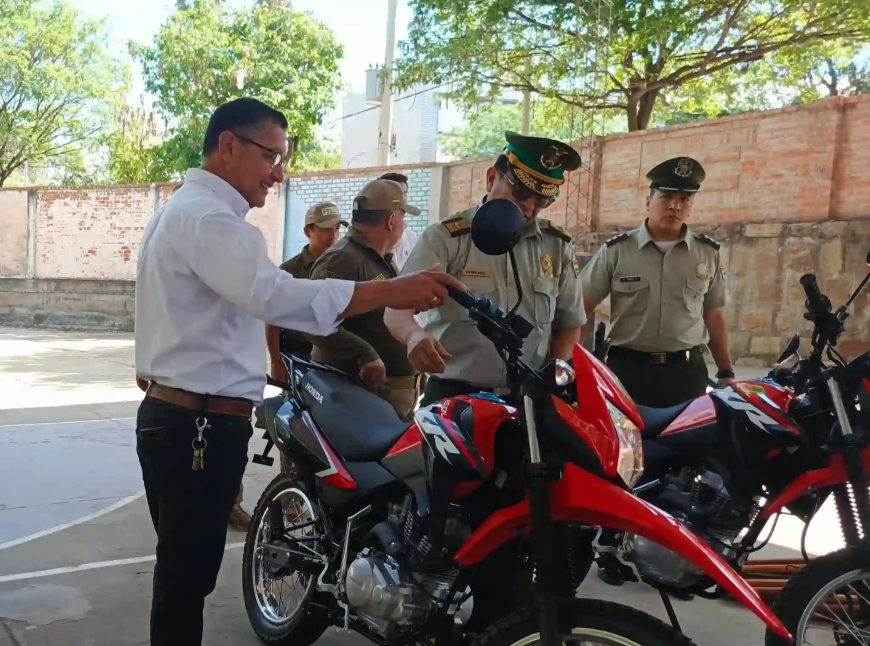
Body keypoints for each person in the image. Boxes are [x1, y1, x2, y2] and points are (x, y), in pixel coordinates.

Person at [133, 96, 466, 646]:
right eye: (271, 156)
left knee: (182, 578)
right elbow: (277, 297)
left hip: (181, 415)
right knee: (185, 580)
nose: (279, 173)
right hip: (197, 425)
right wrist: (393, 290)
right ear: (228, 146)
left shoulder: (183, 210)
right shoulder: (211, 219)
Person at [384, 130, 586, 405]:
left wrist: (556, 370)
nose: (529, 206)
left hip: (529, 400)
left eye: (542, 199)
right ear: (492, 177)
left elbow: (570, 323)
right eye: (522, 191)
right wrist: (413, 336)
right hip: (456, 398)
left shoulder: (557, 246)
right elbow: (395, 309)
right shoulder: (447, 238)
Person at [580, 156, 735, 410]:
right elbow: (581, 308)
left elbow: (714, 315)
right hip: (627, 372)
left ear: (691, 206)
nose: (675, 206)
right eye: (666, 197)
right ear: (648, 201)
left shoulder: (709, 254)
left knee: (688, 445)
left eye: (684, 199)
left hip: (687, 372)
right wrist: (572, 364)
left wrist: (726, 371)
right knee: (628, 447)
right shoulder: (617, 251)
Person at [306, 179, 421, 420]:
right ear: (391, 221)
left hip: (384, 398)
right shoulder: (342, 260)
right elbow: (312, 318)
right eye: (403, 217)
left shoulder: (376, 259)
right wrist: (364, 353)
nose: (404, 224)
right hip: (358, 399)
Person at [380, 172, 419, 270]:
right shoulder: (372, 235)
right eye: (398, 193)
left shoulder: (410, 237)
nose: (403, 198)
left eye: (405, 193)